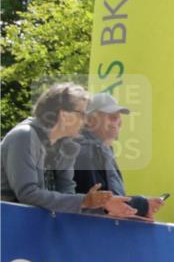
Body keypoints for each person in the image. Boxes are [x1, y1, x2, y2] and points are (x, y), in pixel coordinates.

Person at [1, 83, 134, 217]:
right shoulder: (24, 136)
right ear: (64, 114)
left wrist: (102, 205)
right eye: (82, 114)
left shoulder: (68, 146)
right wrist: (85, 201)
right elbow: (28, 194)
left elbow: (66, 196)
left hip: (32, 227)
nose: (84, 121)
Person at [73, 93, 164, 219]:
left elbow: (107, 205)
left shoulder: (102, 149)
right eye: (110, 116)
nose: (118, 120)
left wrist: (138, 211)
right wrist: (142, 204)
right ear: (89, 120)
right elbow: (95, 205)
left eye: (118, 115)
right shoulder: (85, 150)